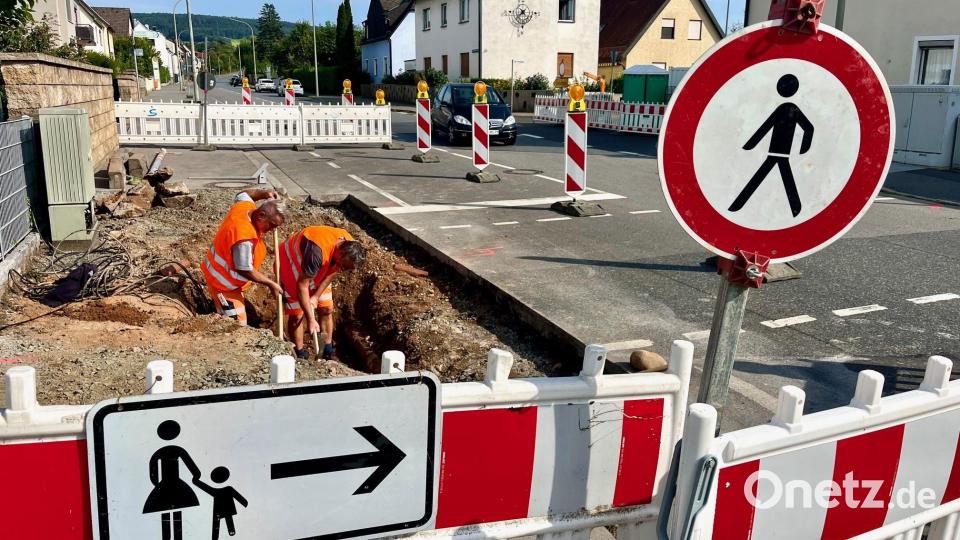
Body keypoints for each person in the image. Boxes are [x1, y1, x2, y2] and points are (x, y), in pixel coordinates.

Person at [279, 226, 366, 360]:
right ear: (340, 254)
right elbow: (302, 285)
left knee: (326, 308)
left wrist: (315, 297)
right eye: (344, 266)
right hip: (292, 264)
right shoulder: (317, 251)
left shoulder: (349, 246)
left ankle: (327, 349)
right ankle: (300, 353)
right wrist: (311, 319)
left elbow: (334, 271)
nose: (344, 269)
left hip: (320, 267)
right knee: (297, 314)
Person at [202, 189, 285, 325]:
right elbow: (244, 269)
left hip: (220, 277)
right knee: (238, 328)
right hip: (224, 287)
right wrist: (271, 284)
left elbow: (243, 194)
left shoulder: (245, 207)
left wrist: (265, 194)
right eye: (272, 225)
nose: (272, 230)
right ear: (261, 215)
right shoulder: (244, 237)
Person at [142, 420, 202, 540]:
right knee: (174, 511)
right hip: (174, 485)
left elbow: (152, 473)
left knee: (170, 511)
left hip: (166, 486)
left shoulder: (160, 452)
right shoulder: (176, 449)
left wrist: (157, 485)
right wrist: (196, 475)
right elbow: (193, 468)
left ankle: (170, 537)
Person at [193, 466, 248, 539]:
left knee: (219, 521)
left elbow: (204, 487)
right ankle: (228, 532)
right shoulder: (228, 489)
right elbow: (240, 498)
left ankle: (217, 536)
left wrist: (195, 481)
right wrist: (244, 503)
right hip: (226, 509)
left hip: (219, 510)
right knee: (227, 518)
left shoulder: (218, 491)